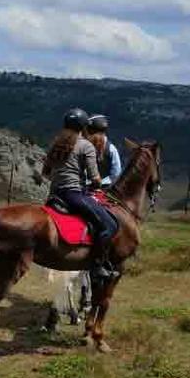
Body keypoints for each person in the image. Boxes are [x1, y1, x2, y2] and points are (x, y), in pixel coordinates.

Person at [42, 108, 119, 281]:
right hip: (74, 195)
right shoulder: (86, 145)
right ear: (84, 127)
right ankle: (97, 266)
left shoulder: (56, 143)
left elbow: (46, 173)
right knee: (109, 225)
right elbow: (95, 179)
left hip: (54, 195)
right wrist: (96, 184)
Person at [87, 114, 122, 186]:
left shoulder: (83, 146)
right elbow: (116, 173)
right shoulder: (111, 148)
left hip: (84, 188)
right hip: (106, 189)